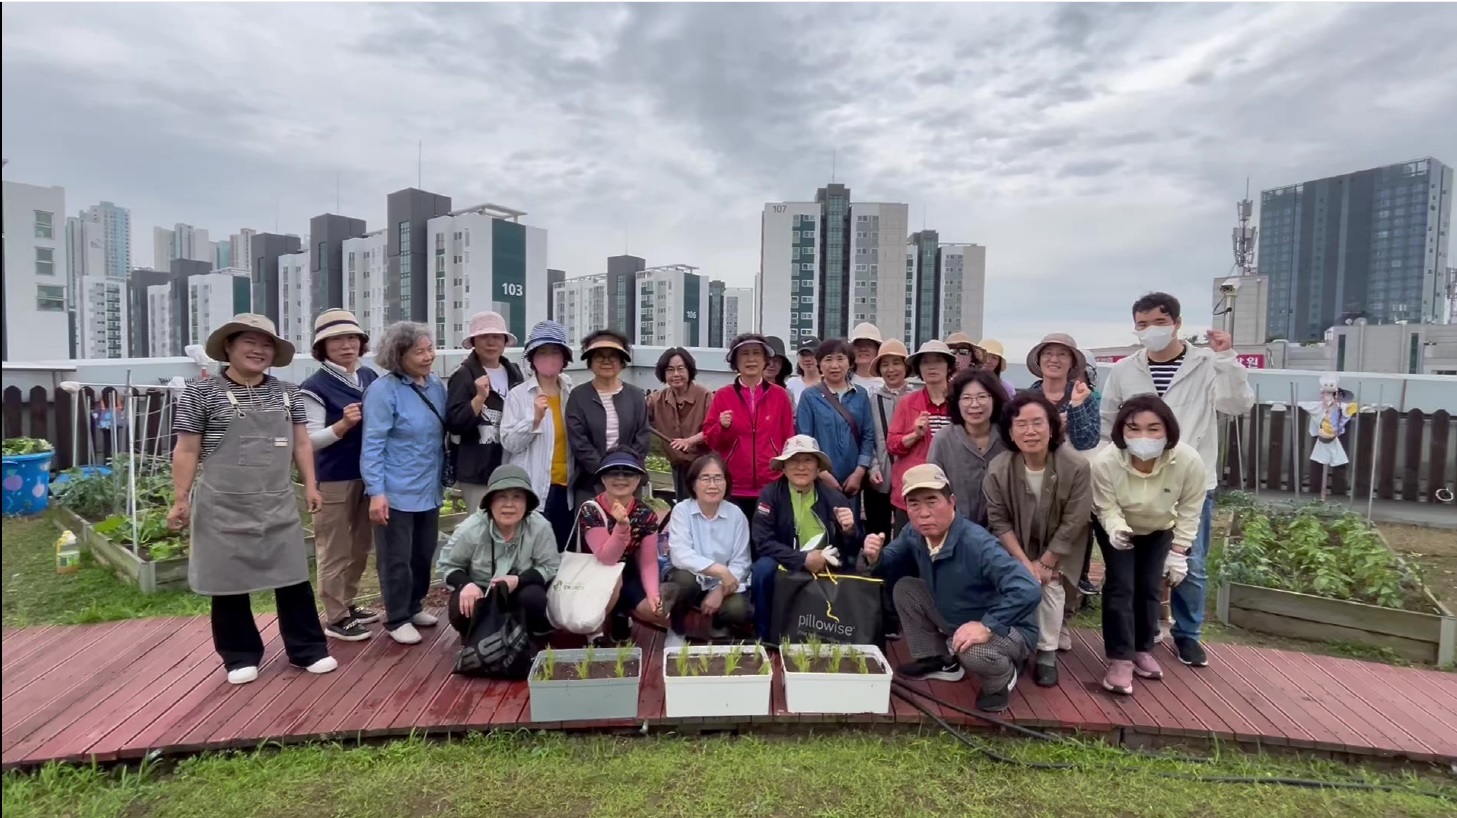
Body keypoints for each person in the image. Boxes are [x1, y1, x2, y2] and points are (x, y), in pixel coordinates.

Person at [167, 313, 336, 685]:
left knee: (293, 576)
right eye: (249, 342)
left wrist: (310, 484)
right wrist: (180, 498)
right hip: (221, 503)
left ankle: (307, 648)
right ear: (228, 346)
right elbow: (186, 449)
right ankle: (239, 655)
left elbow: (302, 443)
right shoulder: (200, 393)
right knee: (228, 581)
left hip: (276, 500)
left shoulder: (287, 392)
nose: (258, 350)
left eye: (266, 345)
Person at [1099, 292, 1255, 669]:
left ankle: (1188, 634)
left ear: (1177, 323)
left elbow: (1238, 405)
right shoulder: (1125, 370)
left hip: (1190, 479)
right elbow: (1108, 424)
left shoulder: (1205, 363)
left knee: (1191, 562)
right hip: (1135, 479)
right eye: (1142, 324)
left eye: (1158, 322)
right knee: (1136, 566)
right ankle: (1144, 633)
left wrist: (1227, 359)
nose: (1150, 330)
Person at [861, 463, 1040, 713]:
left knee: (974, 653)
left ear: (951, 501)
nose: (923, 513)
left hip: (1009, 627)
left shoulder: (978, 543)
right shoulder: (913, 533)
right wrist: (873, 556)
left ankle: (1002, 676)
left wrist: (987, 625)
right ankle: (941, 661)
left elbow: (1028, 587)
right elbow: (887, 563)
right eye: (914, 504)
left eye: (932, 501)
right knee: (906, 588)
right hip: (956, 615)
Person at [1091, 395, 1206, 696]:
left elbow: (1191, 507)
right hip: (1118, 527)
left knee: (1149, 587)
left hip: (1158, 528)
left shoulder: (1188, 460)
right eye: (1134, 428)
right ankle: (1119, 658)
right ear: (1121, 430)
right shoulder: (1106, 461)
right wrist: (1115, 529)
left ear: (1168, 429)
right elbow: (1106, 506)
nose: (1144, 436)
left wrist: (1179, 551)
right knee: (1121, 586)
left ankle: (1142, 649)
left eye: (1153, 429)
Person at [984, 393, 1092, 687]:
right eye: (1021, 425)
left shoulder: (1076, 466)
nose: (1030, 432)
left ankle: (1046, 652)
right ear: (1009, 431)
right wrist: (1023, 562)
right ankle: (1015, 643)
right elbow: (999, 521)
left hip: (1060, 546)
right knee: (1014, 581)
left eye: (1037, 423)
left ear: (1053, 427)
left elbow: (1075, 519)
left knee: (1050, 583)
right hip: (1014, 545)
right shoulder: (999, 468)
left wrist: (1045, 562)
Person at [361, 321, 447, 646]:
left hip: (429, 486)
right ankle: (396, 616)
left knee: (423, 554)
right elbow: (372, 444)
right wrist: (376, 493)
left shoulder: (436, 385)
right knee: (395, 558)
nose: (428, 357)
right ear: (399, 355)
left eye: (430, 349)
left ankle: (413, 606)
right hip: (395, 490)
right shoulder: (384, 391)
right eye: (419, 352)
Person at [298, 308, 381, 641]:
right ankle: (335, 617)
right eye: (336, 340)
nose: (346, 345)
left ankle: (348, 604)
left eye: (352, 338)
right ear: (323, 347)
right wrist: (343, 426)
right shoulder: (314, 386)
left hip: (369, 474)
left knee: (361, 544)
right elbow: (309, 441)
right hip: (333, 477)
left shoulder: (370, 377)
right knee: (334, 547)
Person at [748, 436, 863, 643]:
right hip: (784, 560)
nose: (801, 467)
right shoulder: (770, 495)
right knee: (762, 570)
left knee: (853, 568)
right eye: (793, 461)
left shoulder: (835, 498)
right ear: (783, 467)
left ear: (818, 467)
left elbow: (852, 549)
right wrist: (802, 559)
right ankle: (763, 636)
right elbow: (762, 541)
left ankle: (837, 634)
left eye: (808, 460)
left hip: (826, 562)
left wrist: (849, 531)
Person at [438, 464, 560, 644]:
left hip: (520, 587)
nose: (509, 504)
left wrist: (519, 580)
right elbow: (447, 565)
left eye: (517, 497)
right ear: (490, 502)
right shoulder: (470, 529)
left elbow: (550, 566)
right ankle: (477, 639)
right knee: (460, 608)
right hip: (481, 588)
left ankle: (532, 639)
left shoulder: (540, 527)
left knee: (534, 598)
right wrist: (466, 584)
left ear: (526, 503)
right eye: (501, 496)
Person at [576, 450, 668, 644]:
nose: (620, 478)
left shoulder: (645, 515)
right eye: (613, 472)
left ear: (638, 480)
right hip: (594, 574)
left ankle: (621, 613)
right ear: (602, 478)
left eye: (628, 473)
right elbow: (607, 558)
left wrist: (653, 594)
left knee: (653, 610)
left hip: (628, 571)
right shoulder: (590, 509)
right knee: (614, 580)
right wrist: (622, 526)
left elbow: (649, 561)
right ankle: (595, 631)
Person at [703, 333, 795, 521]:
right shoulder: (722, 395)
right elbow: (710, 440)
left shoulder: (780, 395)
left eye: (756, 353)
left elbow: (789, 438)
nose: (751, 359)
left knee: (765, 540)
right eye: (744, 354)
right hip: (734, 486)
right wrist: (721, 426)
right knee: (734, 541)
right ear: (735, 362)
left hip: (772, 484)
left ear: (765, 360)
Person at [500, 320, 575, 548]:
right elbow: (510, 443)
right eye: (542, 352)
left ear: (564, 359)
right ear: (532, 358)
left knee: (562, 549)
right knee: (531, 551)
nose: (549, 358)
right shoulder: (519, 395)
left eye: (555, 352)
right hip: (534, 487)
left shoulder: (572, 393)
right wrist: (534, 419)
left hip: (567, 488)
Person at [663, 454, 752, 647]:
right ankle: (677, 627)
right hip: (693, 577)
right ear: (693, 483)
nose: (713, 485)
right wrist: (720, 570)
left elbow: (741, 561)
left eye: (718, 478)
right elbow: (680, 554)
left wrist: (720, 589)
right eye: (705, 478)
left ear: (726, 483)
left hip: (723, 583)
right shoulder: (682, 510)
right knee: (682, 581)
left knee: (738, 609)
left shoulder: (736, 515)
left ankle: (719, 625)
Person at [446, 312, 526, 513]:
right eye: (484, 336)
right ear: (474, 341)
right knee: (481, 529)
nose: (491, 342)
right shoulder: (463, 375)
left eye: (497, 336)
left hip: (510, 466)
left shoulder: (514, 373)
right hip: (477, 470)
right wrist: (479, 398)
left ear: (505, 341)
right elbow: (455, 423)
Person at [564, 329, 650, 506]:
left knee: (629, 531)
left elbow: (642, 438)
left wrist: (624, 472)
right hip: (591, 482)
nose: (606, 361)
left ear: (622, 362)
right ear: (590, 362)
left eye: (613, 356)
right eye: (599, 356)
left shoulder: (635, 396)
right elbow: (579, 442)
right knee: (594, 531)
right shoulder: (578, 396)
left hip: (629, 481)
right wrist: (605, 472)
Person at [795, 338, 875, 515]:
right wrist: (823, 474)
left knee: (850, 530)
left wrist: (859, 473)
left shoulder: (860, 395)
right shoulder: (809, 396)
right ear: (819, 364)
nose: (835, 365)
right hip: (818, 479)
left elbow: (868, 436)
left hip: (852, 482)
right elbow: (804, 439)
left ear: (849, 363)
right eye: (828, 359)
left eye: (840, 359)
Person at [887, 340, 957, 527]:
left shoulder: (960, 401)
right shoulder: (907, 402)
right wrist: (914, 435)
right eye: (925, 362)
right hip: (913, 488)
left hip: (950, 487)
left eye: (938, 361)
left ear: (948, 366)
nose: (931, 366)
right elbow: (892, 444)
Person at [928, 368, 1008, 527]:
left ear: (995, 399)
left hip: (1003, 533)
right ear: (956, 402)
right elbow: (933, 489)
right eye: (966, 398)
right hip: (954, 529)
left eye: (982, 397)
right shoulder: (943, 439)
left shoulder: (1008, 437)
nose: (974, 404)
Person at [866, 339, 915, 540]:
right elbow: (868, 437)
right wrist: (873, 467)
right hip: (881, 476)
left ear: (906, 366)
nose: (891, 369)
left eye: (896, 363)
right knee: (878, 531)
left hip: (909, 474)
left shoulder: (916, 397)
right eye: (885, 364)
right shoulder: (872, 399)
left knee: (908, 531)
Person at [647, 347, 710, 502]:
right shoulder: (656, 399)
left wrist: (690, 441)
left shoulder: (705, 396)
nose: (676, 374)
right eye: (670, 370)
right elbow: (636, 417)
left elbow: (713, 428)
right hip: (677, 466)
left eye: (680, 369)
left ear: (689, 371)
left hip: (703, 467)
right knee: (683, 507)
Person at [1025, 333, 1100, 452]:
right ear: (1039, 360)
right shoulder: (1025, 399)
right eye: (1048, 353)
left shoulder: (1085, 396)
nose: (1054, 359)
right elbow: (1015, 438)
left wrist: (1076, 406)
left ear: (1072, 362)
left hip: (1072, 468)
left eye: (1062, 354)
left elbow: (1087, 442)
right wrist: (1053, 424)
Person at [784, 336, 821, 407]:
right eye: (803, 355)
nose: (807, 359)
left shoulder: (828, 383)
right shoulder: (790, 384)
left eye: (811, 354)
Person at [849, 322, 884, 390]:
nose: (863, 349)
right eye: (858, 345)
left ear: (878, 350)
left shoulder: (887, 384)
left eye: (868, 345)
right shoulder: (843, 382)